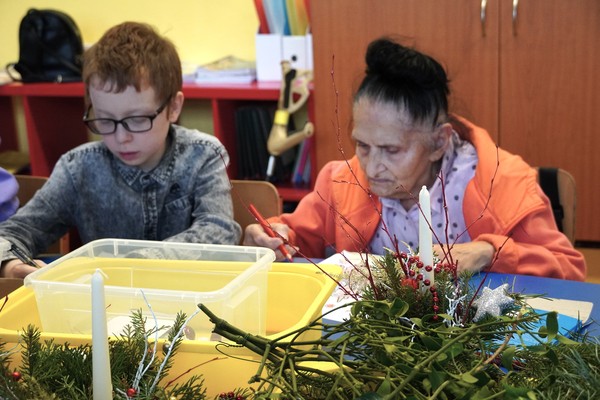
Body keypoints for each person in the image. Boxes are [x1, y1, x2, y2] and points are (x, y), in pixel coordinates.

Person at [244, 37, 586, 281]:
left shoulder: (503, 184)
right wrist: (271, 238)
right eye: (362, 145)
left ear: (439, 142)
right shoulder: (342, 182)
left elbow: (569, 269)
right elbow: (299, 240)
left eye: (392, 150)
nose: (371, 167)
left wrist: (488, 251)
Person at [0, 22, 241, 279]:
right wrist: (10, 265)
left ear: (173, 107)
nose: (121, 137)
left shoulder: (203, 155)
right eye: (105, 120)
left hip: (187, 296)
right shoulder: (77, 169)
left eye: (137, 120)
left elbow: (219, 231)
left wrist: (129, 264)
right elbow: (14, 232)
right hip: (106, 301)